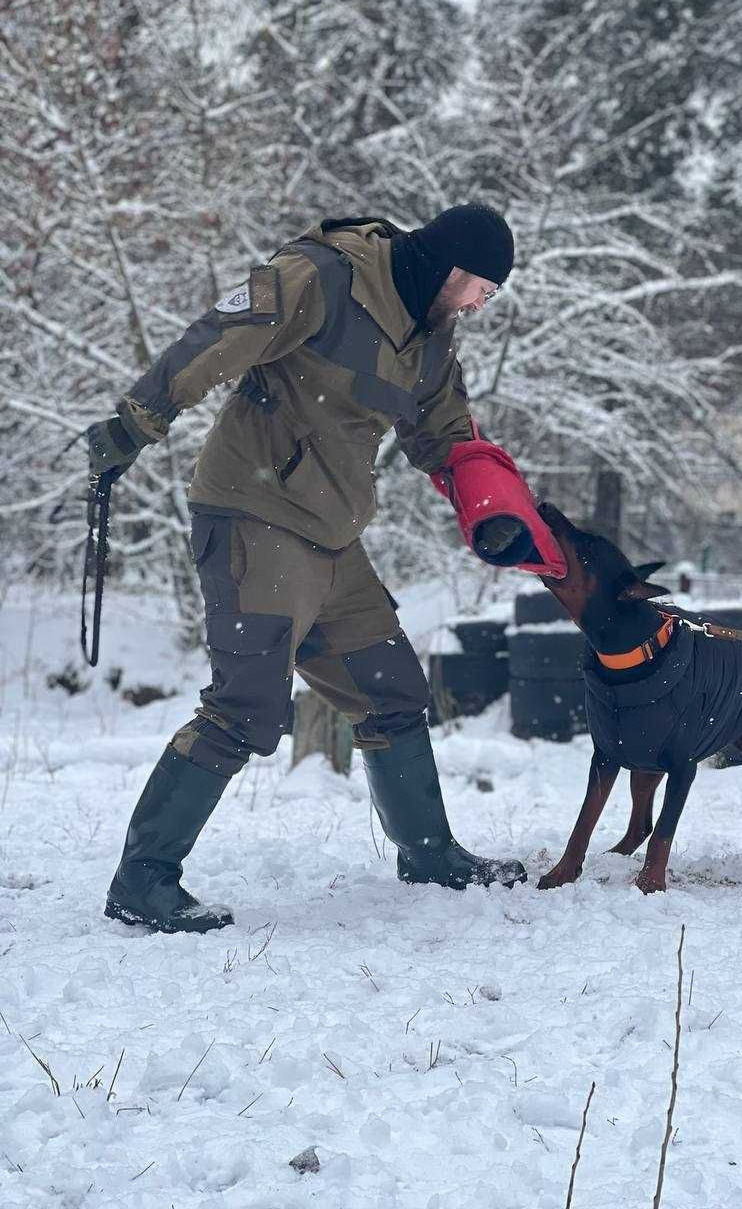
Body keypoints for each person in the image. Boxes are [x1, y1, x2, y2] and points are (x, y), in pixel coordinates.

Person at [87, 204, 564, 933]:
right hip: (255, 513)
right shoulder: (325, 277)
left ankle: (429, 854)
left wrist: (499, 512)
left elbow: (446, 435)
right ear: (447, 267)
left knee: (393, 692)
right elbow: (222, 336)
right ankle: (144, 878)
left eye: (490, 296)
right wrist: (136, 421)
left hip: (332, 538)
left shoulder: (430, 340)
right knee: (246, 707)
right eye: (479, 288)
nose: (479, 304)